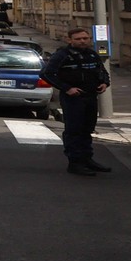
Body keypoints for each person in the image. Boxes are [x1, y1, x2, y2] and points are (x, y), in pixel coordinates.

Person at [45, 27, 112, 176]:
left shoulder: (92, 54)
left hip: (90, 97)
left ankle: (87, 159)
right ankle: (75, 163)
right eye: (78, 39)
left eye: (85, 38)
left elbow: (102, 72)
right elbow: (47, 74)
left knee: (87, 129)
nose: (82, 41)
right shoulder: (62, 55)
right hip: (73, 99)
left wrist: (104, 83)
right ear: (70, 40)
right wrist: (67, 88)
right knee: (74, 130)